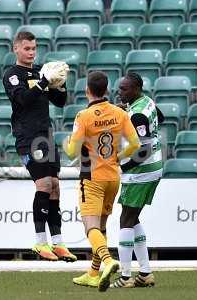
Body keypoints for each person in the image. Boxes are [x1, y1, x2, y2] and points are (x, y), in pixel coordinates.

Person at [3, 31, 77, 262]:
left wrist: (61, 85)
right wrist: (44, 81)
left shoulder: (40, 72)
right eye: (27, 48)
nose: (32, 52)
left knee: (55, 186)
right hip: (28, 137)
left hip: (46, 136)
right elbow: (22, 100)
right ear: (16, 48)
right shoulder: (12, 75)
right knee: (44, 184)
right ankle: (39, 242)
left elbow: (60, 102)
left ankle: (58, 243)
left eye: (34, 48)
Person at [63, 71, 141, 292]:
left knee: (90, 228)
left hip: (91, 178)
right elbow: (135, 144)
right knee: (102, 226)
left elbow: (71, 152)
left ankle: (108, 262)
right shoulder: (120, 113)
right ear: (106, 90)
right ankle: (94, 273)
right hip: (113, 177)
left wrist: (65, 143)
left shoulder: (83, 116)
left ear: (87, 90)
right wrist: (119, 156)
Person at [110, 72, 164, 289]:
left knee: (125, 220)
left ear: (136, 89)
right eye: (120, 88)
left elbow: (145, 149)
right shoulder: (147, 101)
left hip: (141, 172)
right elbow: (161, 119)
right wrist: (128, 109)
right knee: (133, 218)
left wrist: (119, 167)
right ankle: (145, 273)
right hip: (153, 169)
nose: (120, 92)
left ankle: (125, 276)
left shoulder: (137, 114)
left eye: (124, 89)